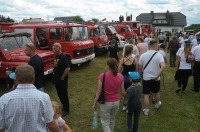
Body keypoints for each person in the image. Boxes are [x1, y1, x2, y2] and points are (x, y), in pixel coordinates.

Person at [0, 64, 60, 132]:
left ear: (16, 78)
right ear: (33, 78)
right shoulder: (44, 97)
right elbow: (51, 124)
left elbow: (1, 127)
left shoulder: (4, 99)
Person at [92, 58, 126, 132]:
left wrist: (94, 103)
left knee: (105, 122)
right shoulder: (120, 76)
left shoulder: (102, 76)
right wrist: (125, 99)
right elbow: (123, 91)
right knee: (112, 119)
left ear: (107, 65)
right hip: (116, 102)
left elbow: (98, 91)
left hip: (106, 103)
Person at [138, 40, 165, 116]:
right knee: (156, 92)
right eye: (157, 46)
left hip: (146, 77)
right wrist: (157, 75)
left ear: (149, 46)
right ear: (156, 46)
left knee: (146, 94)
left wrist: (140, 75)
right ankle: (157, 104)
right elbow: (163, 66)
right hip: (156, 78)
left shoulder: (143, 55)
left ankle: (146, 110)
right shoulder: (159, 55)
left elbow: (140, 68)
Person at [118, 45, 138, 111]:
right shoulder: (135, 59)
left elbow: (119, 70)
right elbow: (136, 70)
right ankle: (129, 106)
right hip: (131, 78)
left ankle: (124, 105)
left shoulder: (122, 59)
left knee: (124, 92)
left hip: (124, 77)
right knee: (131, 92)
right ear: (131, 51)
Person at [52, 43, 70, 116]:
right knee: (59, 94)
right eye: (53, 48)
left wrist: (62, 77)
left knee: (63, 94)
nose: (53, 50)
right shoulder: (56, 56)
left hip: (62, 80)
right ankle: (64, 106)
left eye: (55, 48)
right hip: (56, 79)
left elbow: (67, 68)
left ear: (59, 48)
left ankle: (67, 109)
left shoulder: (63, 56)